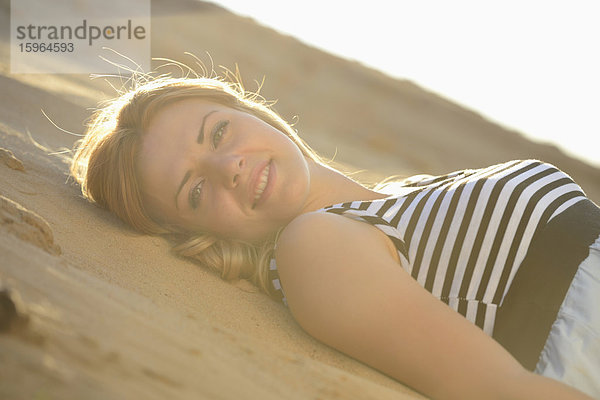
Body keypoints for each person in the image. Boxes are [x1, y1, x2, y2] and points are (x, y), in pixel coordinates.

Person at [70, 74, 600, 400]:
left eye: (219, 132)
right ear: (193, 234)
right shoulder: (315, 245)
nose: (227, 166)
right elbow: (496, 390)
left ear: (249, 111)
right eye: (194, 192)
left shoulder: (395, 197)